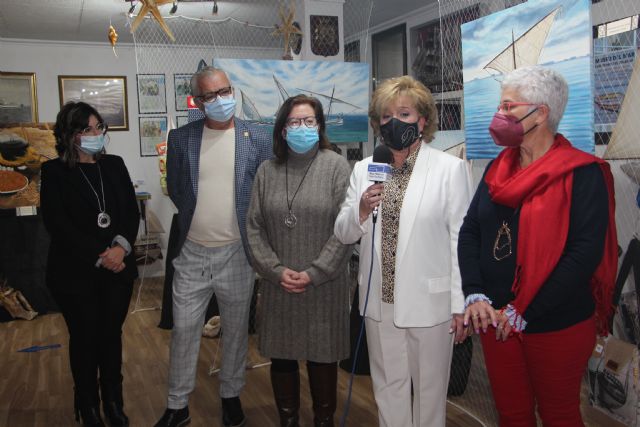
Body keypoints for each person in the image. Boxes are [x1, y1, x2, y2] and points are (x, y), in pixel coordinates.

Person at [457, 66, 618, 426]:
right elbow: (470, 232)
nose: (500, 116)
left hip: (555, 322)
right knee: (512, 415)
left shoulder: (583, 173)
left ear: (541, 113)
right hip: (495, 319)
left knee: (559, 414)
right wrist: (475, 295)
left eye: (508, 106)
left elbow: (582, 255)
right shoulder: (499, 167)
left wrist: (523, 311)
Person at [334, 75, 472, 427]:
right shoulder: (365, 169)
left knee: (429, 394)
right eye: (385, 115)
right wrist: (361, 209)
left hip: (431, 304)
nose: (394, 122)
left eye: (405, 113)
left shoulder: (449, 169)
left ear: (422, 121)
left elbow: (462, 240)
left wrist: (460, 304)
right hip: (380, 302)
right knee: (388, 390)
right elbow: (344, 231)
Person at [154, 66, 272, 427]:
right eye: (210, 95)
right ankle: (177, 405)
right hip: (192, 254)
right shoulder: (182, 138)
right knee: (185, 331)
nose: (220, 100)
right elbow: (176, 188)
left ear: (231, 90)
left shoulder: (259, 136)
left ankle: (231, 397)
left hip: (238, 252)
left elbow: (264, 192)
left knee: (236, 331)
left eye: (224, 91)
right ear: (198, 101)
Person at [246, 95, 353, 427]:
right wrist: (275, 271)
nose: (302, 128)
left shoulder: (336, 166)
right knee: (283, 357)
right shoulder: (267, 170)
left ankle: (324, 421)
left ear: (319, 127)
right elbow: (253, 227)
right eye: (294, 122)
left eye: (309, 122)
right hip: (280, 285)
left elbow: (346, 228)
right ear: (282, 129)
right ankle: (288, 421)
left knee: (323, 358)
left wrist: (315, 272)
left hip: (325, 285)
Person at [41, 102, 140, 426]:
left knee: (110, 335)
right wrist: (102, 256)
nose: (97, 135)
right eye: (88, 129)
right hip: (74, 273)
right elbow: (58, 224)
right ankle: (88, 405)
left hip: (118, 269)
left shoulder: (114, 165)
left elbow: (129, 212)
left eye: (100, 128)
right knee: (84, 338)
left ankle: (114, 401)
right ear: (70, 135)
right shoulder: (54, 172)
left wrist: (120, 249)